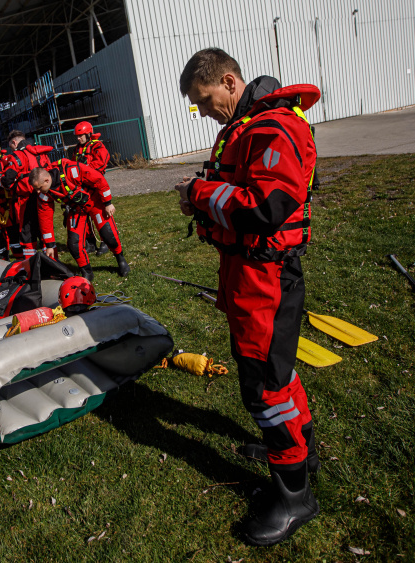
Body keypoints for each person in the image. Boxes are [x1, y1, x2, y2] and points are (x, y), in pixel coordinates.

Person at [173, 48, 319, 546]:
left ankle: (294, 496)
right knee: (278, 375)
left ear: (230, 82)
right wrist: (202, 194)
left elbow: (265, 208)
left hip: (266, 280)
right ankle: (303, 453)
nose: (202, 111)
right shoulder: (243, 129)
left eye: (205, 99)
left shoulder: (275, 128)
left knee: (264, 388)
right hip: (247, 277)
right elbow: (236, 192)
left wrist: (199, 193)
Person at [29, 160, 129, 280]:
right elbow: (45, 219)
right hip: (76, 209)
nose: (37, 191)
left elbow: (98, 179)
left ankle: (120, 259)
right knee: (74, 243)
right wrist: (49, 244)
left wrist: (107, 203)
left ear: (47, 180)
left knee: (108, 234)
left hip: (94, 202)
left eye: (39, 188)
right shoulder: (44, 194)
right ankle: (87, 271)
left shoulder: (72, 170)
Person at [0, 130, 53, 260]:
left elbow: (8, 180)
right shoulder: (40, 152)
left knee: (27, 233)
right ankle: (52, 261)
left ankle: (31, 264)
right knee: (45, 229)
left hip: (26, 199)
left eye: (11, 146)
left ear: (14, 142)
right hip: (44, 196)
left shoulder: (17, 156)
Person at [68, 121, 111, 255]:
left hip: (95, 185)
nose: (78, 138)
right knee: (84, 214)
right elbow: (73, 165)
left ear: (88, 134)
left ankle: (106, 241)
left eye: (80, 136)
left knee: (100, 214)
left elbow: (102, 162)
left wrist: (85, 170)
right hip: (82, 187)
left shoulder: (97, 146)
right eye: (77, 136)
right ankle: (90, 242)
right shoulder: (77, 149)